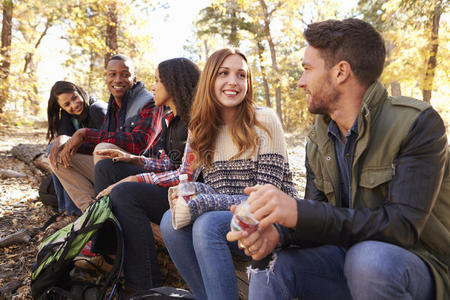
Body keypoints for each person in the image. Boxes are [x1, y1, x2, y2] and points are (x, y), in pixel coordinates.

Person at [227, 18, 449, 300]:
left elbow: (402, 228)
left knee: (368, 260)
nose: (300, 82)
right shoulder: (318, 140)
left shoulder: (417, 125)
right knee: (273, 263)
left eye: (307, 69)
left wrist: (299, 211)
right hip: (348, 261)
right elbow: (320, 220)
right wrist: (278, 235)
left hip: (423, 268)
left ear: (341, 72)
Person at [159, 48, 298, 300]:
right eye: (223, 73)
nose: (233, 81)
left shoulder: (264, 121)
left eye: (241, 75)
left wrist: (204, 202)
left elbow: (265, 199)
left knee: (207, 224)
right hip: (232, 225)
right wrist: (194, 194)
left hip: (274, 225)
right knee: (170, 222)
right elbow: (216, 191)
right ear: (210, 79)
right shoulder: (201, 130)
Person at [92, 57, 201, 295]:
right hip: (171, 185)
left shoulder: (197, 121)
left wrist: (133, 179)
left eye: (158, 81)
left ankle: (144, 285)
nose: (153, 87)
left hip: (186, 196)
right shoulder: (171, 119)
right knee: (106, 167)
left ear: (174, 84)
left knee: (125, 192)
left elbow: (186, 176)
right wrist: (136, 160)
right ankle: (108, 252)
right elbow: (167, 163)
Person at [49, 54, 163, 212]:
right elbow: (104, 140)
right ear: (107, 77)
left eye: (125, 74)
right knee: (59, 156)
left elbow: (139, 144)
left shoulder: (149, 102)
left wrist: (84, 133)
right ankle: (91, 212)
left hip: (143, 172)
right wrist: (68, 144)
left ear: (134, 78)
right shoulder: (115, 104)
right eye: (112, 74)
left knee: (103, 146)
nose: (117, 80)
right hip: (113, 167)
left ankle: (103, 212)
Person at [46, 80, 107, 217]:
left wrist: (72, 143)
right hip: (93, 161)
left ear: (79, 92)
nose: (74, 104)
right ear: (61, 107)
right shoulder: (69, 114)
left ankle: (72, 211)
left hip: (108, 165)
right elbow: (64, 134)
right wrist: (63, 139)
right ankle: (67, 209)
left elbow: (109, 142)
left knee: (57, 152)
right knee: (54, 149)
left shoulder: (97, 109)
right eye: (67, 104)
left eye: (74, 97)